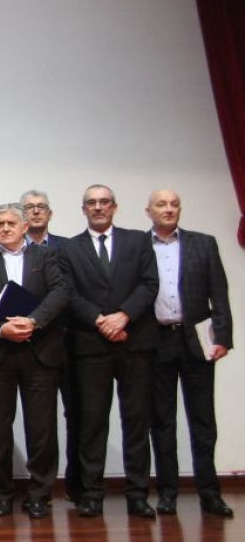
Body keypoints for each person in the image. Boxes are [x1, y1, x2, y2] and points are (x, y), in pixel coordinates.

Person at [58, 184, 159, 519]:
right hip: (91, 344)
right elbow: (68, 291)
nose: (98, 207)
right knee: (91, 422)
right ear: (83, 209)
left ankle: (138, 494)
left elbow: (149, 283)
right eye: (92, 203)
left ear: (115, 207)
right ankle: (91, 495)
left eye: (104, 202)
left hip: (135, 341)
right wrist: (100, 320)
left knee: (136, 420)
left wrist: (123, 315)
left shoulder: (138, 241)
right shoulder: (69, 248)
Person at [0, 204, 69, 519]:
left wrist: (34, 321)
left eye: (11, 223)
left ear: (25, 226)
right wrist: (1, 328)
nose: (5, 228)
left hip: (38, 352)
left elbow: (61, 290)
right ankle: (2, 493)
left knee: (41, 429)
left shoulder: (46, 256)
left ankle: (39, 495)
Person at [145, 190, 234, 517]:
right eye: (161, 204)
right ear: (149, 211)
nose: (169, 209)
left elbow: (219, 294)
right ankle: (167, 493)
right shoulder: (139, 247)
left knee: (203, 420)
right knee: (162, 421)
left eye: (174, 204)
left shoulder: (203, 244)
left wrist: (222, 337)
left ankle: (209, 493)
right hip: (156, 342)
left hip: (197, 341)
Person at [21, 189, 80, 503]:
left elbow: (72, 290)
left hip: (68, 342)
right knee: (40, 422)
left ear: (50, 213)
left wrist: (39, 319)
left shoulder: (68, 248)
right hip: (26, 346)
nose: (35, 211)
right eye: (29, 207)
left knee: (77, 415)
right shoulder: (11, 251)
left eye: (41, 207)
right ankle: (39, 490)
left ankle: (76, 485)